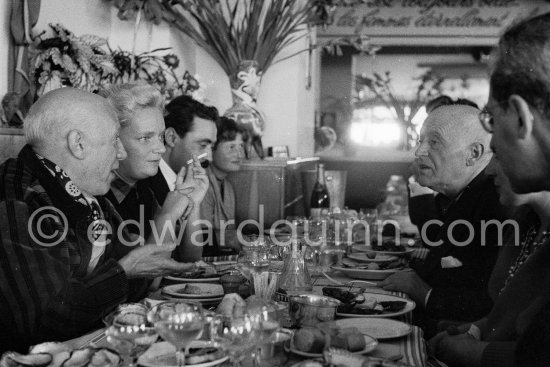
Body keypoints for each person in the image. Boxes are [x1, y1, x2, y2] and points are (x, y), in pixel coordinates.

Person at [0, 88, 196, 352]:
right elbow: (43, 322)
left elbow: (137, 278)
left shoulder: (84, 193)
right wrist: (125, 270)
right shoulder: (18, 197)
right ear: (77, 143)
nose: (121, 153)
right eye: (115, 139)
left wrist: (132, 268)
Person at [430, 13, 550, 367]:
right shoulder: (530, 222)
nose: (493, 142)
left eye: (490, 121)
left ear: (520, 117)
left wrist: (479, 355)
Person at [378, 102, 504, 337]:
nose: (419, 152)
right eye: (420, 141)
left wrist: (421, 290)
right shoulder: (464, 195)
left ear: (473, 153)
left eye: (434, 142)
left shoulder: (494, 202)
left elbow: (489, 302)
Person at [429, 160, 550, 367]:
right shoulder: (526, 222)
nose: (489, 170)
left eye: (499, 154)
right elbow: (509, 315)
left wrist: (474, 351)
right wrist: (477, 329)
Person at [100, 84, 208, 263]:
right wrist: (168, 216)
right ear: (113, 140)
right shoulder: (100, 195)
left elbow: (190, 258)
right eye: (145, 138)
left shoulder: (150, 182)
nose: (160, 148)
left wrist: (192, 202)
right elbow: (147, 278)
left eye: (160, 137)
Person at [145, 94, 218, 259]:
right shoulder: (145, 182)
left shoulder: (185, 181)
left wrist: (194, 205)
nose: (210, 157)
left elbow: (191, 261)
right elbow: (151, 265)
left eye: (211, 146)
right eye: (202, 145)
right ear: (171, 138)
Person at [200, 116, 245, 254]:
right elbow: (201, 237)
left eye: (241, 146)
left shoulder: (228, 187)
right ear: (211, 149)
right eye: (231, 147)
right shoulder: (202, 183)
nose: (239, 154)